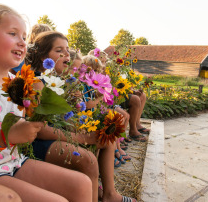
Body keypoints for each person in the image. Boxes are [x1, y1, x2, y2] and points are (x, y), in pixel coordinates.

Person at [0, 4, 92, 202]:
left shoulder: (17, 82)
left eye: (24, 37)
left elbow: (21, 128)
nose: (23, 43)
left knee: (82, 183)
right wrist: (5, 137)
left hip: (13, 162)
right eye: (13, 34)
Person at [25, 31, 136, 202]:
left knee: (105, 137)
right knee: (88, 159)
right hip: (36, 142)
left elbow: (66, 117)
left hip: (58, 134)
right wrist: (83, 138)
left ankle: (109, 194)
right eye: (59, 50)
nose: (65, 54)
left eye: (67, 49)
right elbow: (40, 130)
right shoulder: (37, 83)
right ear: (42, 56)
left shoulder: (59, 81)